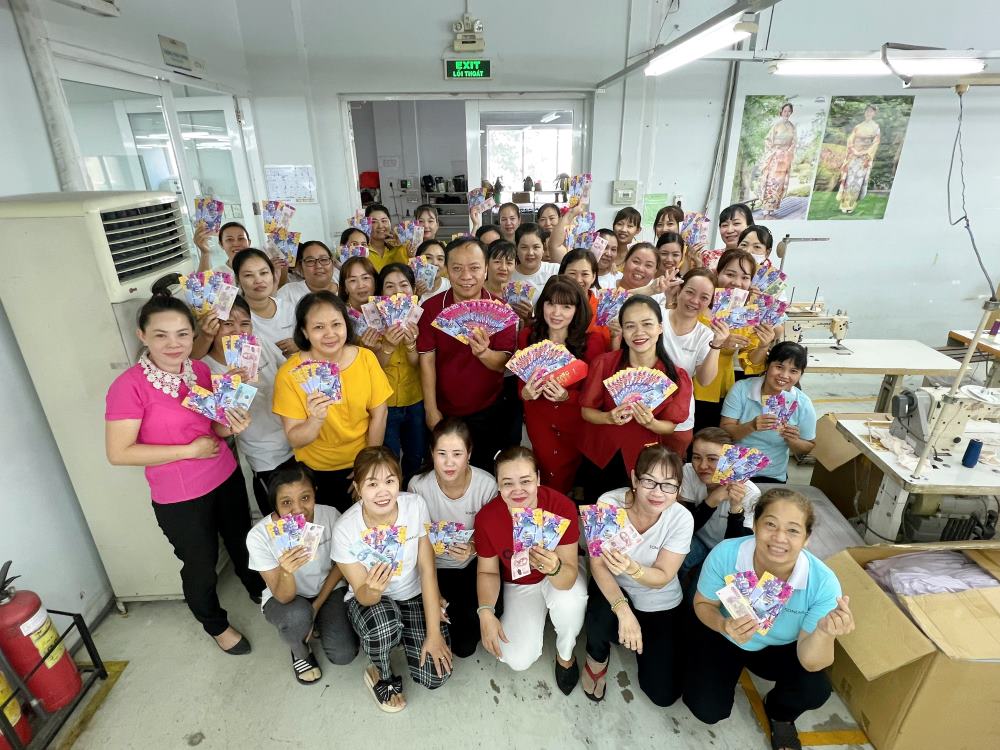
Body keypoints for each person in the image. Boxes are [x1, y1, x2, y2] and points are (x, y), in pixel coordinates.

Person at [105, 292, 261, 654]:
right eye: (161, 334)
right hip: (180, 495)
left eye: (182, 334)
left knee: (241, 540)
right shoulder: (129, 387)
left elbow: (213, 429)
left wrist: (233, 422)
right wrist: (189, 451)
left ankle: (258, 589)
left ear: (194, 335)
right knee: (201, 563)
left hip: (224, 473)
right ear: (142, 335)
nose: (173, 344)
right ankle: (215, 623)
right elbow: (118, 452)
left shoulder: (200, 370)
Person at [684, 489, 855, 749]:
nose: (779, 538)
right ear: (754, 525)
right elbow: (703, 604)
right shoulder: (726, 554)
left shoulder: (822, 583)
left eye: (793, 530)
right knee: (707, 710)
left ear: (807, 538)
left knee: (815, 689)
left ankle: (779, 713)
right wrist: (723, 624)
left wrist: (824, 632)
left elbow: (811, 662)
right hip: (724, 637)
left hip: (779, 648)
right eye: (770, 524)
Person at [331, 447, 452, 712]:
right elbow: (362, 594)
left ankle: (401, 635)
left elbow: (428, 572)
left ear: (399, 481)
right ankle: (380, 671)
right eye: (372, 484)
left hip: (413, 594)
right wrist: (373, 589)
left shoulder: (415, 506)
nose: (383, 491)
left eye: (390, 481)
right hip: (371, 601)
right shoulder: (345, 530)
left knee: (435, 676)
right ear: (358, 487)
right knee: (383, 624)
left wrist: (433, 634)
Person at [583, 445, 692, 705]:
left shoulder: (681, 519)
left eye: (668, 485)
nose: (658, 492)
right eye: (649, 481)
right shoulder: (608, 504)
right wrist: (623, 611)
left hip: (658, 595)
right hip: (613, 586)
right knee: (600, 619)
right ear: (634, 478)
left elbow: (664, 575)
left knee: (663, 695)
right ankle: (596, 656)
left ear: (678, 489)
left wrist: (633, 568)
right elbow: (598, 565)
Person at [474, 447, 587, 691]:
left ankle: (565, 653)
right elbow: (488, 572)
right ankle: (538, 617)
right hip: (519, 582)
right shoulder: (487, 517)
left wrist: (554, 567)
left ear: (537, 478)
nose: (517, 490)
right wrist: (485, 611)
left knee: (571, 601)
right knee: (516, 658)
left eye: (525, 481)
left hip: (559, 573)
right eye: (507, 483)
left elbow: (567, 579)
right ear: (498, 485)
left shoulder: (561, 506)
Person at [273, 292, 392, 511]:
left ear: (347, 326)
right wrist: (315, 419)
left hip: (361, 461)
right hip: (315, 471)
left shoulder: (365, 358)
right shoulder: (289, 374)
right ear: (304, 332)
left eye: (336, 324)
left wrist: (366, 468)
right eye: (318, 327)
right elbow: (295, 439)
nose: (330, 334)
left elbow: (379, 414)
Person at [246, 464, 359, 684]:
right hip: (285, 599)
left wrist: (316, 606)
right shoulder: (258, 536)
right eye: (287, 502)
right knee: (296, 615)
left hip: (327, 588)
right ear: (275, 505)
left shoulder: (330, 515)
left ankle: (313, 621)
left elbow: (339, 565)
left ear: (315, 492)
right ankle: (299, 649)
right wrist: (287, 571)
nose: (298, 510)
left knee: (344, 655)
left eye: (305, 498)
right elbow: (284, 597)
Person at [417, 238, 517, 472]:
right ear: (447, 271)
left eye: (474, 268)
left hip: (488, 407)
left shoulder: (501, 309)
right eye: (457, 268)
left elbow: (502, 362)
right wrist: (431, 410)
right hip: (444, 410)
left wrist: (483, 353)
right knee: (446, 469)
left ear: (485, 270)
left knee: (483, 468)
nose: (466, 276)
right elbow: (427, 361)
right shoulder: (431, 308)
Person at [580, 296, 693, 500]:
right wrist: (608, 417)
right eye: (630, 326)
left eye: (647, 324)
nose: (639, 332)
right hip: (601, 456)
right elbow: (586, 411)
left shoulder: (676, 376)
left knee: (636, 518)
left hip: (645, 461)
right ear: (622, 331)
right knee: (599, 513)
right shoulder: (605, 364)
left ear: (660, 328)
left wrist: (652, 423)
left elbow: (670, 426)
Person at [407, 419, 498, 658]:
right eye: (442, 453)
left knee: (464, 646)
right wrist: (432, 592)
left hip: (471, 566)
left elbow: (492, 535)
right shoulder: (418, 486)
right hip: (431, 568)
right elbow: (415, 542)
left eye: (457, 453)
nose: (449, 462)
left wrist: (473, 548)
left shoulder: (487, 485)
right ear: (432, 453)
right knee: (436, 621)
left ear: (469, 453)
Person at [201, 295, 295, 515]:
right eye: (227, 324)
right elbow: (220, 427)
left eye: (245, 323)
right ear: (212, 326)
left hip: (299, 441)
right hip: (267, 457)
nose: (237, 331)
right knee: (283, 519)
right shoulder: (205, 368)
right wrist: (234, 389)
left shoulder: (259, 346)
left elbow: (289, 373)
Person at [518, 277, 607, 493]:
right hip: (539, 421)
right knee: (545, 476)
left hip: (576, 425)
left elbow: (596, 397)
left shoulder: (592, 343)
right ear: (542, 305)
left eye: (566, 306)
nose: (556, 313)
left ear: (577, 310)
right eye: (551, 304)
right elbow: (521, 389)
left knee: (573, 482)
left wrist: (567, 398)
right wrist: (527, 393)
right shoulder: (527, 337)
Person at [692, 248, 775, 433]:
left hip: (722, 388)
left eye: (745, 277)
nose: (737, 282)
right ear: (717, 273)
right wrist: (719, 343)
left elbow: (750, 363)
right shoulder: (698, 303)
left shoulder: (746, 314)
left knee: (713, 441)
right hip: (690, 383)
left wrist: (763, 345)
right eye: (730, 274)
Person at [721, 342, 817, 483]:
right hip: (735, 468)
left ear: (800, 374)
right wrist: (751, 426)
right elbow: (724, 431)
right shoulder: (741, 389)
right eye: (779, 367)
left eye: (793, 371)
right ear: (767, 365)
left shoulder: (803, 403)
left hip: (772, 474)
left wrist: (793, 440)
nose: (784, 375)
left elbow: (808, 446)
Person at [662, 269, 734, 444]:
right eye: (690, 292)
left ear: (710, 303)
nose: (694, 301)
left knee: (672, 467)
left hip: (678, 416)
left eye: (704, 297)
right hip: (644, 408)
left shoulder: (705, 335)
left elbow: (705, 380)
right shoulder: (656, 316)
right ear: (679, 289)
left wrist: (716, 344)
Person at [679, 427, 760, 578]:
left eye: (712, 459)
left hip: (726, 550)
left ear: (730, 461)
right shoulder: (689, 471)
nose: (703, 466)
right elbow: (686, 527)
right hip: (698, 538)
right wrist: (712, 500)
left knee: (696, 595)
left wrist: (736, 508)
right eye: (696, 457)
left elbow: (737, 546)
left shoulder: (750, 492)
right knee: (674, 560)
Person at [373, 263, 424, 482]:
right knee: (389, 458)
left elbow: (420, 365)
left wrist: (411, 344)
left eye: (404, 285)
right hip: (385, 402)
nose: (397, 292)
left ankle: (413, 494)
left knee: (416, 455)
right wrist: (388, 347)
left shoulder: (422, 317)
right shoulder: (371, 321)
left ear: (413, 290)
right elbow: (374, 368)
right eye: (389, 286)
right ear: (381, 292)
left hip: (415, 398)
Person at [234, 249, 298, 359]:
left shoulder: (289, 308)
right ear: (238, 280)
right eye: (249, 275)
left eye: (264, 273)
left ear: (273, 275)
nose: (258, 280)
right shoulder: (234, 318)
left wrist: (299, 344)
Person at [559, 248, 611, 350]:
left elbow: (607, 346)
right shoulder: (551, 304)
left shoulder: (603, 310)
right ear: (562, 274)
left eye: (585, 274)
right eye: (572, 273)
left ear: (593, 276)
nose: (578, 280)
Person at [510, 223, 561, 317]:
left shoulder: (556, 271)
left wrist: (534, 314)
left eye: (536, 247)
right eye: (524, 247)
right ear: (516, 248)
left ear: (543, 248)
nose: (530, 253)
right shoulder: (508, 276)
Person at [838, 104, 881, 214]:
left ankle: (851, 204)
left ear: (874, 114)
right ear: (864, 112)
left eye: (871, 111)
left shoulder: (876, 127)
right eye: (867, 111)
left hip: (864, 157)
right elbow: (850, 139)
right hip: (854, 155)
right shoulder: (858, 127)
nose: (869, 113)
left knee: (858, 180)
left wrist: (866, 153)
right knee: (850, 179)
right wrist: (854, 150)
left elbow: (876, 142)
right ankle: (844, 204)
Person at [759, 103, 797, 218]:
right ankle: (766, 207)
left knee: (779, 183)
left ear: (791, 112)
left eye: (789, 111)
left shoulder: (792, 127)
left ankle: (773, 207)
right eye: (785, 110)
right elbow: (768, 140)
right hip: (775, 156)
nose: (787, 113)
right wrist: (774, 152)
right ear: (781, 112)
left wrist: (788, 152)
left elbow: (794, 142)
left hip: (785, 157)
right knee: (771, 181)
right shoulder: (776, 125)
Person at [277, 241, 338, 310]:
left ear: (332, 263)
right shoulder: (288, 293)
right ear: (300, 266)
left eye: (324, 259)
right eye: (310, 261)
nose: (318, 266)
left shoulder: (348, 289)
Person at [699, 203, 753, 270]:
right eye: (724, 225)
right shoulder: (707, 257)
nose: (729, 230)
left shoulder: (758, 261)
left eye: (736, 223)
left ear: (749, 226)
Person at [365, 203, 410, 272]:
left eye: (384, 221)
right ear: (366, 225)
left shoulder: (402, 246)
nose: (380, 226)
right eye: (374, 222)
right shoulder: (362, 250)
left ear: (390, 222)